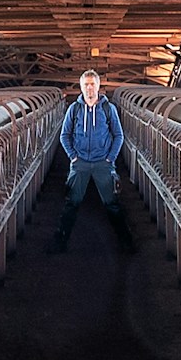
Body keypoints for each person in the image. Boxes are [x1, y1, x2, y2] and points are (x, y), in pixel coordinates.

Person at [50, 70, 130, 251]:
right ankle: (60, 242)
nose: (89, 88)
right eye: (85, 84)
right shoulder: (74, 109)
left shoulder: (108, 109)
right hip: (80, 163)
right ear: (81, 87)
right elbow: (64, 135)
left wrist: (110, 158)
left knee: (112, 204)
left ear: (98, 86)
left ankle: (126, 243)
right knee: (71, 203)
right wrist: (73, 156)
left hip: (103, 162)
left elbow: (118, 135)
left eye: (92, 84)